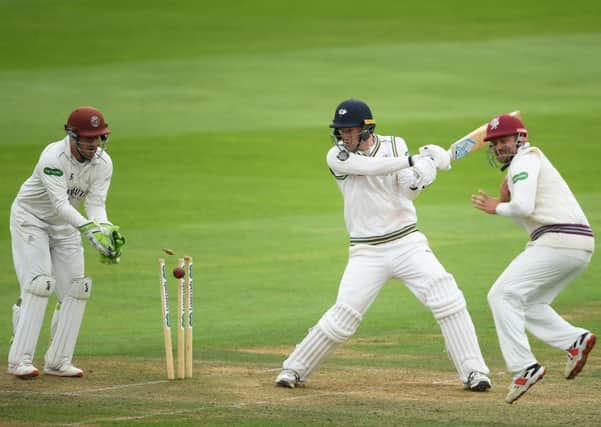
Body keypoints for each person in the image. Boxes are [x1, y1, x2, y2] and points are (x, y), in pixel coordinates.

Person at [275, 99, 491, 391]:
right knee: (345, 316)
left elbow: (407, 190)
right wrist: (416, 160)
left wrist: (426, 174)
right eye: (341, 132)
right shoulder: (337, 157)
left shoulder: (395, 144)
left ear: (367, 129)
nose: (344, 137)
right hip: (367, 251)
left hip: (407, 242)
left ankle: (475, 372)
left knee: (447, 298)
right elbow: (372, 168)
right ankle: (294, 369)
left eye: (350, 131)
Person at [471, 113, 596, 404]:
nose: (499, 147)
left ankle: (524, 368)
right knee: (528, 303)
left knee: (501, 296)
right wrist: (506, 201)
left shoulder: (525, 161)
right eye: (495, 143)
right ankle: (574, 341)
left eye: (504, 140)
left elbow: (524, 207)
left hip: (558, 241)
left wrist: (496, 207)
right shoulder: (529, 162)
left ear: (521, 138)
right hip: (577, 245)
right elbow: (526, 203)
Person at [8, 106, 125, 379]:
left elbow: (96, 205)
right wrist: (88, 230)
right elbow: (60, 204)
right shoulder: (52, 157)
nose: (94, 144)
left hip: (66, 227)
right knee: (40, 283)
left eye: (98, 138)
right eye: (88, 138)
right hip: (31, 219)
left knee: (78, 288)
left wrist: (105, 232)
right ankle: (19, 360)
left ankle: (58, 361)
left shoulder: (104, 163)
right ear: (72, 136)